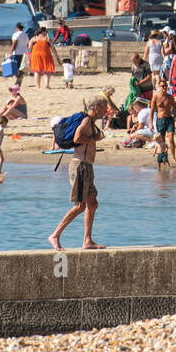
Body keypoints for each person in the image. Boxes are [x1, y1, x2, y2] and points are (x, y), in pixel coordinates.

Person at [49, 98, 108, 251]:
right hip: (80, 166)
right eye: (103, 108)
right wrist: (95, 138)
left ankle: (87, 241)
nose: (105, 111)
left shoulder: (90, 121)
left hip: (86, 167)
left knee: (92, 203)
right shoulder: (87, 120)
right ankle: (55, 235)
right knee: (80, 206)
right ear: (95, 107)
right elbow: (77, 138)